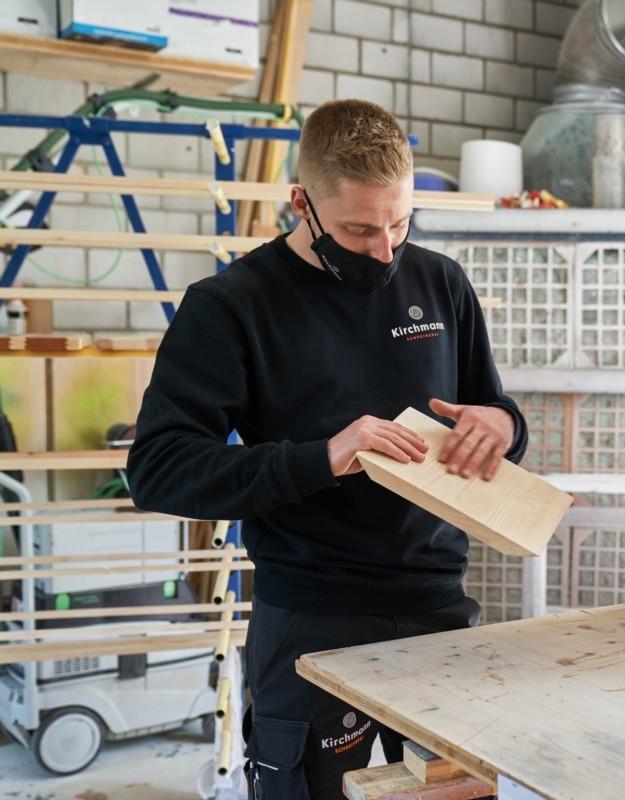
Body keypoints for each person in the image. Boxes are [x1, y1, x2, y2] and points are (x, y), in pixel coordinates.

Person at [126, 99, 527, 799]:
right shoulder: (231, 306)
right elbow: (158, 470)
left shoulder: (441, 284)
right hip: (312, 613)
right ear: (301, 204)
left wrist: (503, 426)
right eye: (359, 229)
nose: (385, 250)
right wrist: (322, 457)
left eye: (400, 223)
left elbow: (494, 414)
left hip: (437, 606)